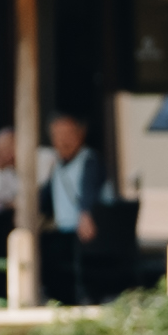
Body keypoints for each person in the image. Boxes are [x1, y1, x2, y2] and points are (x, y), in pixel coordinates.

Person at [37, 112, 112, 303]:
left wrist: (85, 214)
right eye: (57, 136)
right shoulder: (57, 166)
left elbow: (90, 189)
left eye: (68, 134)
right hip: (65, 233)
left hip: (86, 235)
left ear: (81, 134)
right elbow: (44, 198)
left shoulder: (89, 159)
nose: (63, 141)